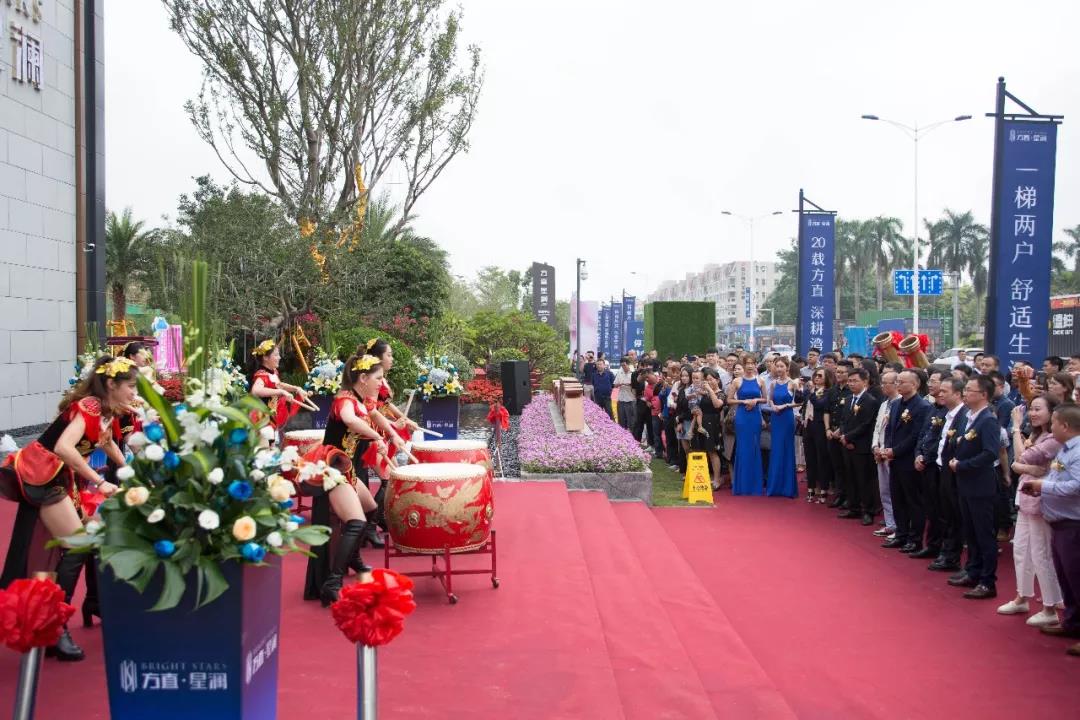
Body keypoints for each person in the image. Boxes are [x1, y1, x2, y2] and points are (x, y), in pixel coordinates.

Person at [0, 356, 129, 661]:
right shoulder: (91, 405)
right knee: (78, 543)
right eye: (132, 385)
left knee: (87, 539)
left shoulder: (105, 410)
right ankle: (56, 627)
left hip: (61, 477)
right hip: (46, 474)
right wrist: (100, 481)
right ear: (112, 384)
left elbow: (106, 442)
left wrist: (131, 471)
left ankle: (90, 603)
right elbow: (63, 447)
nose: (135, 392)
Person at [307, 354, 400, 606]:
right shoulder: (345, 399)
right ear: (363, 378)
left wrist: (391, 434)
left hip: (346, 469)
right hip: (333, 468)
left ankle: (352, 558)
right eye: (378, 378)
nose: (381, 383)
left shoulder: (362, 401)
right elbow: (349, 419)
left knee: (370, 509)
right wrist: (377, 437)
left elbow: (375, 415)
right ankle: (332, 583)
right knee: (357, 522)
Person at [999, 396, 1064, 626]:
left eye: (1038, 409)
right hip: (1025, 498)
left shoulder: (1053, 439)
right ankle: (1022, 596)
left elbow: (1021, 458)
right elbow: (1020, 465)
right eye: (1031, 409)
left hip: (1041, 501)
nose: (1032, 414)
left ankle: (1050, 606)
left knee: (1041, 554)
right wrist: (1025, 467)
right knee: (1021, 550)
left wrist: (1016, 428)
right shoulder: (1037, 436)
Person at [1020, 403, 1080, 656]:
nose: (1051, 426)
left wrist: (1043, 487)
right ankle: (1073, 623)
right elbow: (1059, 479)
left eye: (1054, 422)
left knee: (1077, 577)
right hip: (1059, 521)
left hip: (1073, 523)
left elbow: (1076, 486)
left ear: (1065, 425)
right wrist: (1041, 486)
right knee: (1067, 577)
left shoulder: (1078, 452)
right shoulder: (1065, 449)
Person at [947, 375, 1002, 600]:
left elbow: (990, 453)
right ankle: (973, 570)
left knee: (984, 535)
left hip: (980, 485)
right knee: (970, 532)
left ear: (984, 395)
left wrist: (963, 465)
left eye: (970, 390)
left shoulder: (988, 419)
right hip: (966, 483)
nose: (965, 393)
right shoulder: (969, 417)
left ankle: (988, 581)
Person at [882, 371, 933, 553]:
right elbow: (889, 430)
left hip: (909, 460)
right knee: (897, 498)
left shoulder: (923, 406)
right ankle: (901, 533)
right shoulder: (896, 404)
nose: (898, 384)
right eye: (897, 381)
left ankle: (915, 538)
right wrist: (888, 448)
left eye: (902, 382)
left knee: (913, 501)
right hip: (894, 459)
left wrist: (895, 450)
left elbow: (916, 435)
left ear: (915, 384)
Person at [929, 378, 967, 572]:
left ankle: (952, 556)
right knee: (943, 513)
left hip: (953, 471)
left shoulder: (964, 416)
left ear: (958, 394)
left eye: (945, 391)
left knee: (953, 515)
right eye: (940, 390)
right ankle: (945, 551)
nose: (939, 394)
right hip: (940, 467)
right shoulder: (947, 413)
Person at [914, 370, 950, 557]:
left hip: (936, 466)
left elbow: (941, 440)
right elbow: (923, 434)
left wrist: (926, 458)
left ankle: (940, 547)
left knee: (939, 509)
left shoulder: (950, 412)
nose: (930, 384)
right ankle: (931, 544)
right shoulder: (931, 408)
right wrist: (918, 454)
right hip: (924, 463)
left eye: (934, 381)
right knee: (930, 507)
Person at [838, 368, 881, 525]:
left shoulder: (870, 401)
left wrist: (849, 438)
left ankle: (868, 510)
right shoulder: (849, 399)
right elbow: (844, 420)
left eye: (855, 381)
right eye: (850, 381)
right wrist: (844, 435)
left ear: (865, 381)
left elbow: (866, 424)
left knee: (864, 479)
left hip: (861, 445)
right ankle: (854, 507)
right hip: (846, 443)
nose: (851, 384)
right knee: (851, 477)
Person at [248, 339, 311, 434]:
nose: (279, 357)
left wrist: (297, 389)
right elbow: (255, 391)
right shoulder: (262, 375)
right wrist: (281, 392)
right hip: (263, 418)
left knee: (273, 440)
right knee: (268, 440)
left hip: (272, 415)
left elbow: (279, 384)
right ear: (265, 357)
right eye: (276, 355)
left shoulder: (273, 372)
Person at [729, 355, 766, 496]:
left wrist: (755, 400)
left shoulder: (760, 380)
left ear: (756, 365)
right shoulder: (737, 381)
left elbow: (765, 399)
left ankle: (755, 484)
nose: (750, 366)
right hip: (742, 417)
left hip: (755, 417)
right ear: (743, 365)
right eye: (747, 363)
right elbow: (729, 400)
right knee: (743, 448)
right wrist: (743, 402)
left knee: (755, 447)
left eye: (752, 363)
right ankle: (742, 484)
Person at [765, 357, 799, 498]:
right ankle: (775, 487)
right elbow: (770, 399)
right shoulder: (773, 383)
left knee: (787, 449)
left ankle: (788, 487)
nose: (779, 369)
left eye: (781, 366)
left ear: (787, 367)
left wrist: (784, 406)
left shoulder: (793, 383)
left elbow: (799, 402)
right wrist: (773, 406)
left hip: (787, 418)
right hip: (776, 417)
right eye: (777, 366)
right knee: (776, 449)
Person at [872, 371, 900, 536]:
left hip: (892, 453)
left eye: (886, 383)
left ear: (896, 384)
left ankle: (900, 525)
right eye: (882, 382)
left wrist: (888, 449)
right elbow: (877, 427)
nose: (882, 386)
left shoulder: (900, 403)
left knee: (896, 491)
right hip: (880, 451)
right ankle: (890, 524)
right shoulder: (884, 404)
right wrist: (875, 446)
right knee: (884, 491)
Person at [802, 367, 834, 503]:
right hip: (808, 426)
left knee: (822, 459)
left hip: (820, 427)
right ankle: (811, 488)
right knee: (810, 459)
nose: (817, 377)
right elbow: (801, 402)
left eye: (820, 376)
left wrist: (812, 394)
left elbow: (820, 404)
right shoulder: (811, 391)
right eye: (816, 375)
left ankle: (824, 489)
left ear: (827, 378)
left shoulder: (828, 392)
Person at [825, 362, 852, 508]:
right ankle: (840, 494)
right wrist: (827, 429)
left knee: (847, 466)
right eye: (837, 372)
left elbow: (850, 416)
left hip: (845, 434)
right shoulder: (832, 391)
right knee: (836, 466)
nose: (839, 374)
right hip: (831, 432)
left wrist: (841, 430)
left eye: (842, 372)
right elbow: (827, 411)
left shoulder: (851, 391)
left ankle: (849, 496)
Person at [698, 368, 726, 490]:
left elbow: (717, 405)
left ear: (717, 380)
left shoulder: (721, 393)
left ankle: (717, 479)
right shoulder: (705, 393)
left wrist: (709, 390)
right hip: (704, 422)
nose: (709, 382)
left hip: (714, 424)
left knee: (713, 451)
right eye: (707, 380)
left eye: (711, 379)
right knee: (707, 451)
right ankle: (711, 476)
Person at [613, 356, 635, 430]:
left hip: (630, 399)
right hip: (621, 399)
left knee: (631, 420)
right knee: (621, 421)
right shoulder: (620, 372)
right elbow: (615, 385)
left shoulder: (633, 373)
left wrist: (628, 384)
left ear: (628, 364)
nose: (623, 367)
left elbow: (636, 385)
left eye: (624, 365)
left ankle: (631, 435)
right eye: (622, 365)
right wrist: (619, 384)